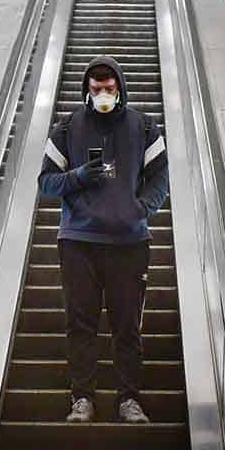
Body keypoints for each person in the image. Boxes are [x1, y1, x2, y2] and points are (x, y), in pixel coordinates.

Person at [37, 56, 168, 424]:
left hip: (129, 242)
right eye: (96, 89)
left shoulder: (143, 127)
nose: (103, 94)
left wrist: (141, 209)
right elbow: (46, 182)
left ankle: (129, 399)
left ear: (120, 87)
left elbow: (161, 176)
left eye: (109, 88)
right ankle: (82, 399)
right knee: (80, 324)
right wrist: (78, 175)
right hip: (79, 242)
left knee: (127, 325)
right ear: (86, 90)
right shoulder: (68, 128)